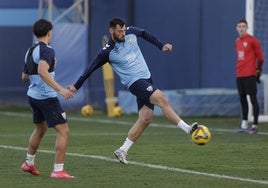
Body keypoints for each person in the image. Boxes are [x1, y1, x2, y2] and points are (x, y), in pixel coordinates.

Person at [68, 17, 200, 164]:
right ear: (111, 31)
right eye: (119, 31)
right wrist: (75, 86)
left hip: (147, 78)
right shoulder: (107, 52)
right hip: (135, 83)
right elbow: (89, 69)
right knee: (162, 99)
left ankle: (122, 150)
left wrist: (160, 45)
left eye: (124, 30)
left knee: (145, 119)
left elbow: (144, 33)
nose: (123, 33)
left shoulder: (131, 32)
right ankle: (188, 129)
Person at [20, 19, 75, 178]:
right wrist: (61, 90)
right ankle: (58, 170)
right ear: (50, 33)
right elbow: (42, 71)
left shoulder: (30, 51)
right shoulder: (47, 50)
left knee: (40, 129)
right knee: (63, 131)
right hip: (46, 98)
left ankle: (29, 162)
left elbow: (24, 77)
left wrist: (50, 68)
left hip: (33, 96)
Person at [234, 19, 264, 134]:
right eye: (239, 26)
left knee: (253, 99)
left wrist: (258, 70)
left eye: (243, 26)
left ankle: (255, 125)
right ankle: (244, 124)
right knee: (242, 99)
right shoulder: (236, 41)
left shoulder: (253, 41)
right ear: (236, 28)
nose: (241, 28)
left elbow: (260, 58)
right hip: (239, 74)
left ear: (247, 28)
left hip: (250, 74)